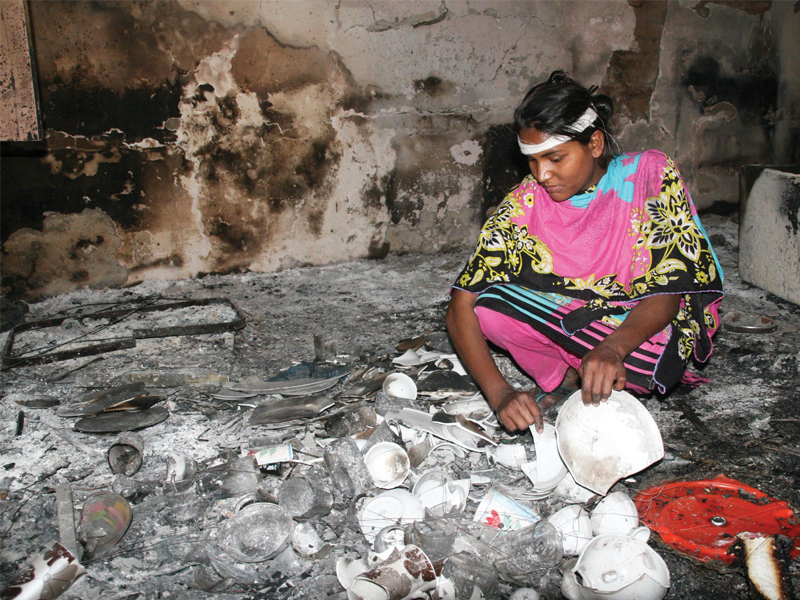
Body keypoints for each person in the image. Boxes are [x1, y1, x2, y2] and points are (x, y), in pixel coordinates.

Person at [446, 70, 724, 434]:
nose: (542, 174)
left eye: (555, 158)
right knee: (488, 307)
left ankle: (595, 366)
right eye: (532, 160)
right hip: (574, 313)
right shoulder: (525, 202)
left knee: (647, 362)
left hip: (633, 319)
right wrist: (499, 394)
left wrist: (612, 349)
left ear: (594, 145)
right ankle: (568, 376)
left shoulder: (648, 176)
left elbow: (668, 293)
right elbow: (460, 306)